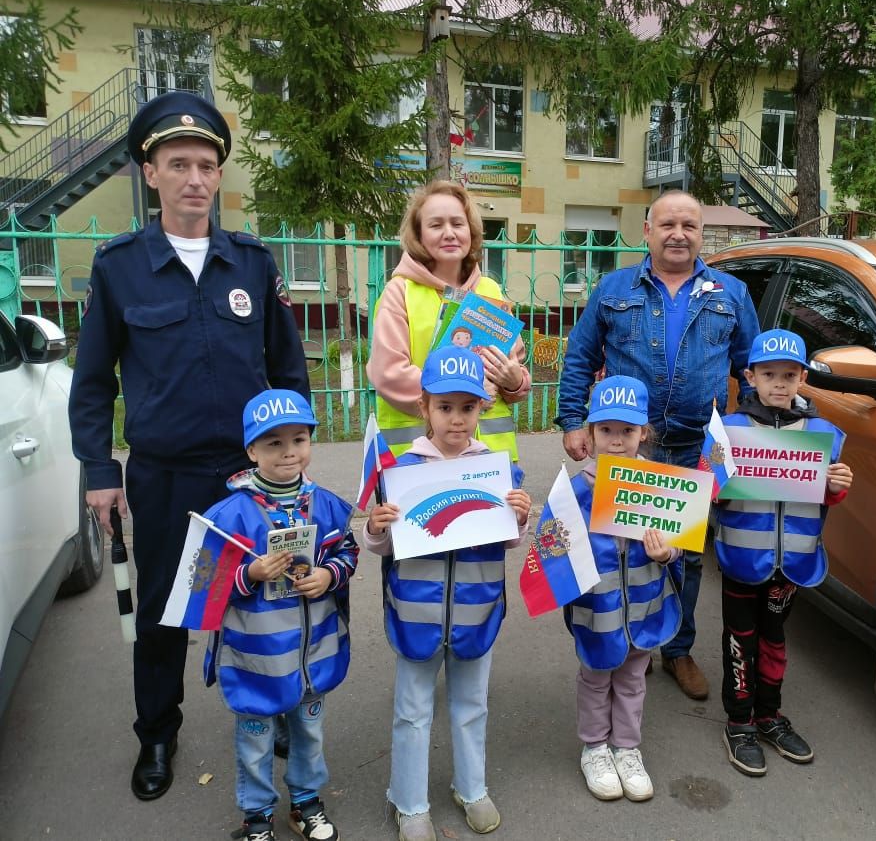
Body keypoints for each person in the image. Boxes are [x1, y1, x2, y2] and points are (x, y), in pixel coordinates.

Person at [68, 91, 309, 801]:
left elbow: (288, 369)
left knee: (266, 597)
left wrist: (293, 450)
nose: (196, 178)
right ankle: (158, 732)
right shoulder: (120, 268)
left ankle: (279, 710)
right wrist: (98, 469)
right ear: (151, 173)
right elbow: (91, 383)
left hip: (250, 478)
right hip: (165, 477)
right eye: (179, 164)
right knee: (168, 611)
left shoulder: (252, 264)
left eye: (207, 164)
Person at [556, 190, 761, 701]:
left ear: (700, 233)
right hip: (630, 447)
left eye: (689, 225)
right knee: (622, 550)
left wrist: (753, 430)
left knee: (684, 555)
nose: (679, 234)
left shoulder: (729, 293)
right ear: (647, 231)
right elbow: (580, 357)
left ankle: (676, 648)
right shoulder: (614, 288)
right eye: (668, 224)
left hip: (695, 448)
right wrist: (572, 421)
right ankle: (631, 640)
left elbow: (750, 369)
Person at [362, 346, 532, 841]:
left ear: (483, 408)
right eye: (445, 407)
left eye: (468, 407)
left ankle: (471, 788)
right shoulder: (402, 472)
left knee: (472, 704)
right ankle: (409, 801)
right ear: (425, 409)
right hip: (416, 615)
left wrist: (517, 515)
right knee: (412, 710)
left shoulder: (499, 471)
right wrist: (376, 527)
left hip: (477, 612)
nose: (456, 420)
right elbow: (382, 545)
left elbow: (505, 539)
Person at [203, 389, 357, 841]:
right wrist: (248, 573)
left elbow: (346, 553)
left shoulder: (326, 505)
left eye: (299, 439)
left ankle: (305, 804)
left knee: (308, 735)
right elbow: (205, 588)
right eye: (273, 443)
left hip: (312, 656)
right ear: (251, 450)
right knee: (255, 742)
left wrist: (330, 575)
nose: (289, 452)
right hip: (255, 662)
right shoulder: (227, 516)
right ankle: (256, 816)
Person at [714, 329, 853, 776]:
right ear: (750, 377)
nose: (779, 383)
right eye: (769, 374)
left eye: (789, 375)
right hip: (740, 560)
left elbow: (825, 497)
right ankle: (739, 722)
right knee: (741, 642)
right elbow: (710, 491)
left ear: (802, 378)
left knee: (774, 639)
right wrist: (713, 474)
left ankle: (769, 715)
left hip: (792, 563)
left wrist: (836, 487)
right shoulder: (729, 430)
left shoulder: (824, 434)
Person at [553, 375, 683, 803]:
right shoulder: (574, 491)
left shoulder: (661, 485)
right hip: (597, 609)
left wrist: (666, 554)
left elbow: (678, 544)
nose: (616, 440)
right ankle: (594, 748)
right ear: (589, 435)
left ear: (643, 433)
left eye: (627, 431)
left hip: (644, 606)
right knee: (595, 677)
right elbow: (553, 549)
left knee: (632, 679)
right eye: (605, 430)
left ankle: (627, 748)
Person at [367, 180, 530, 460]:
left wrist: (515, 382)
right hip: (419, 459)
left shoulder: (490, 291)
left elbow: (514, 370)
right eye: (435, 225)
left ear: (471, 231)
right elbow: (389, 374)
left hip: (489, 460)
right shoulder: (400, 291)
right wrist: (463, 393)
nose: (449, 233)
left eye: (457, 223)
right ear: (418, 235)